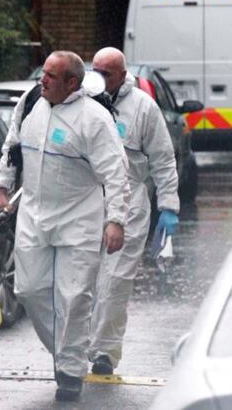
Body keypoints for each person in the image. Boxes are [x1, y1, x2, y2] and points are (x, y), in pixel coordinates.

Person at [0, 51, 129, 402]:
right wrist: (3, 189)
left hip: (79, 219)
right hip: (34, 215)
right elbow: (13, 147)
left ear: (73, 83)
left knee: (73, 297)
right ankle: (67, 350)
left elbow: (115, 174)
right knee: (29, 290)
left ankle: (69, 369)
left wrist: (115, 221)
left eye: (52, 76)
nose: (43, 80)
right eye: (44, 74)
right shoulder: (32, 102)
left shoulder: (94, 119)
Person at [87, 47, 180, 375]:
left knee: (115, 283)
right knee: (82, 282)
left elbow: (164, 159)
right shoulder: (83, 102)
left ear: (123, 75)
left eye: (106, 73)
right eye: (94, 70)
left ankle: (104, 354)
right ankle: (79, 347)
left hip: (129, 202)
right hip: (87, 201)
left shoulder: (143, 108)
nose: (98, 78)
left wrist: (168, 207)